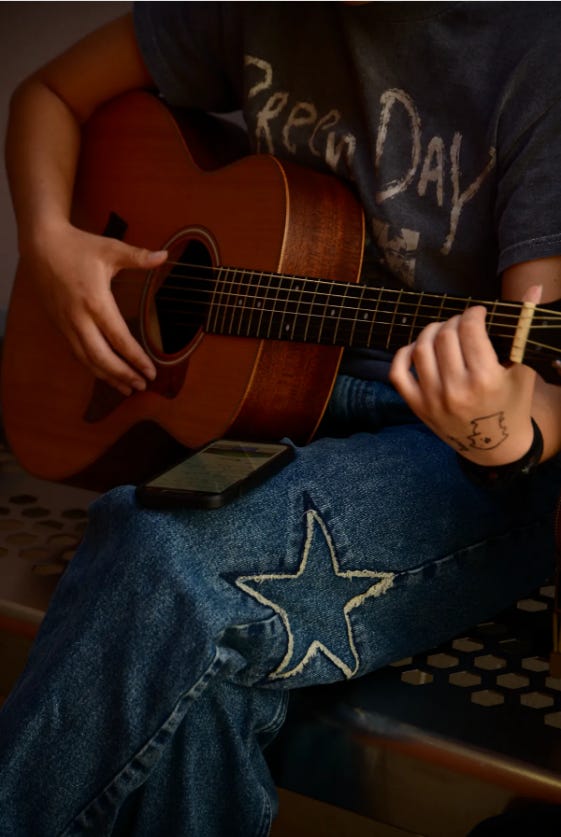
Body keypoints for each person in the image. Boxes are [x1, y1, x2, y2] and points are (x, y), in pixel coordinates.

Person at [2, 3, 561, 835]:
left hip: (456, 454)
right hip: (267, 402)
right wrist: (51, 240)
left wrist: (497, 424)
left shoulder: (536, 53)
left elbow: (543, 391)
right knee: (202, 674)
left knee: (164, 558)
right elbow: (46, 94)